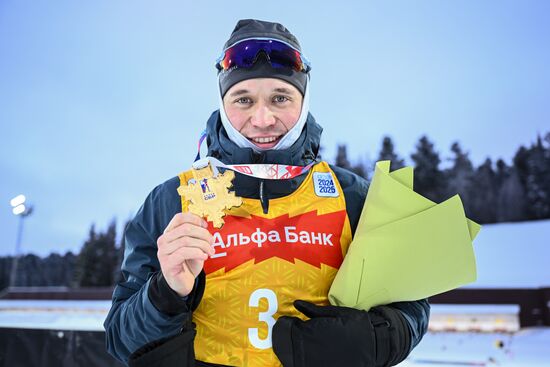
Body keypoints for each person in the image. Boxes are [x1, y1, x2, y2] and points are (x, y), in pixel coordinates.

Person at [104, 19, 430, 367]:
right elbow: (120, 340)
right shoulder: (172, 200)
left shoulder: (352, 196)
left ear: (303, 102)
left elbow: (411, 305)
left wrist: (378, 338)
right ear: (223, 104)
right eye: (243, 100)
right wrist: (164, 294)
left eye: (280, 98)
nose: (262, 119)